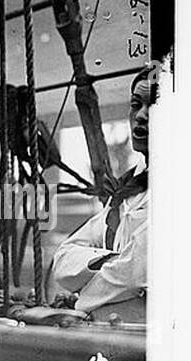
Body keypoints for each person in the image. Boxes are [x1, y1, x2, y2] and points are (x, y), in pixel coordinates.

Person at [51, 63, 156, 322]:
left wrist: (82, 298)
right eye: (136, 104)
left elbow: (137, 271)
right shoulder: (126, 191)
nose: (141, 115)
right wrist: (112, 259)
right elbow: (63, 258)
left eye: (154, 105)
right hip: (106, 334)